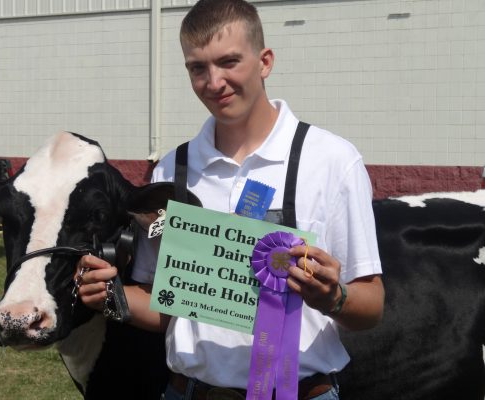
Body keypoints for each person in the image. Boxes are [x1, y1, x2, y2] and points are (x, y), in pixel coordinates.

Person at [76, 0, 384, 398]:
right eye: (197, 67)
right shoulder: (173, 169)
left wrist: (333, 297)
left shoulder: (331, 160)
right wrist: (111, 295)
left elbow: (372, 306)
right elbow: (170, 306)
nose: (214, 81)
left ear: (265, 61)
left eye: (229, 62)